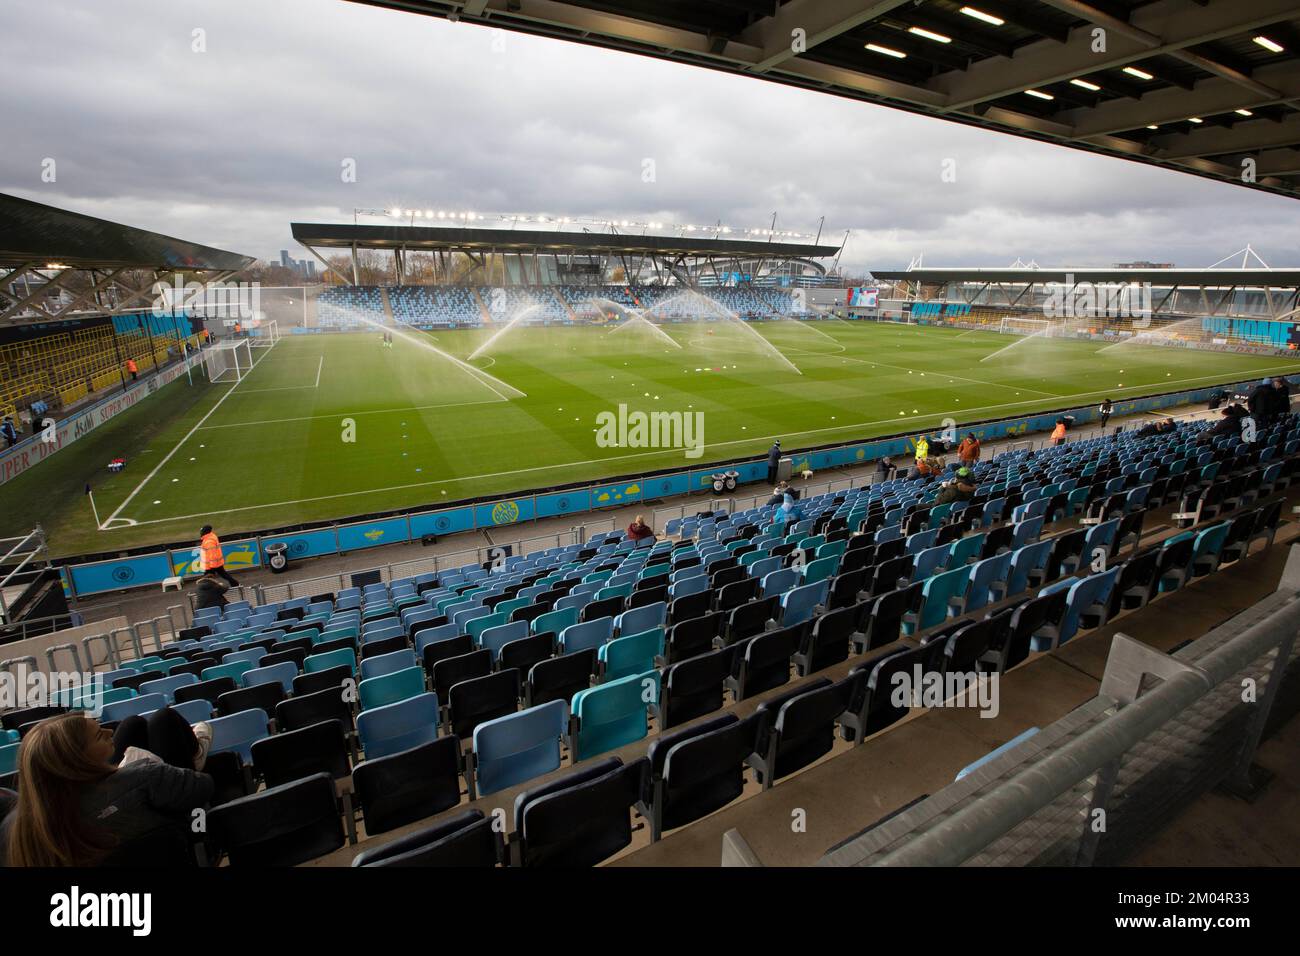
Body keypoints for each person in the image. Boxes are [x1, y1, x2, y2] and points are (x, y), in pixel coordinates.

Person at [4, 713, 212, 867]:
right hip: (188, 838)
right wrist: (149, 771)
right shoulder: (145, 776)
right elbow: (204, 787)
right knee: (164, 720)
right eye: (98, 736)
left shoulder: (15, 830)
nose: (110, 731)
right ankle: (195, 753)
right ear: (78, 758)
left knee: (132, 724)